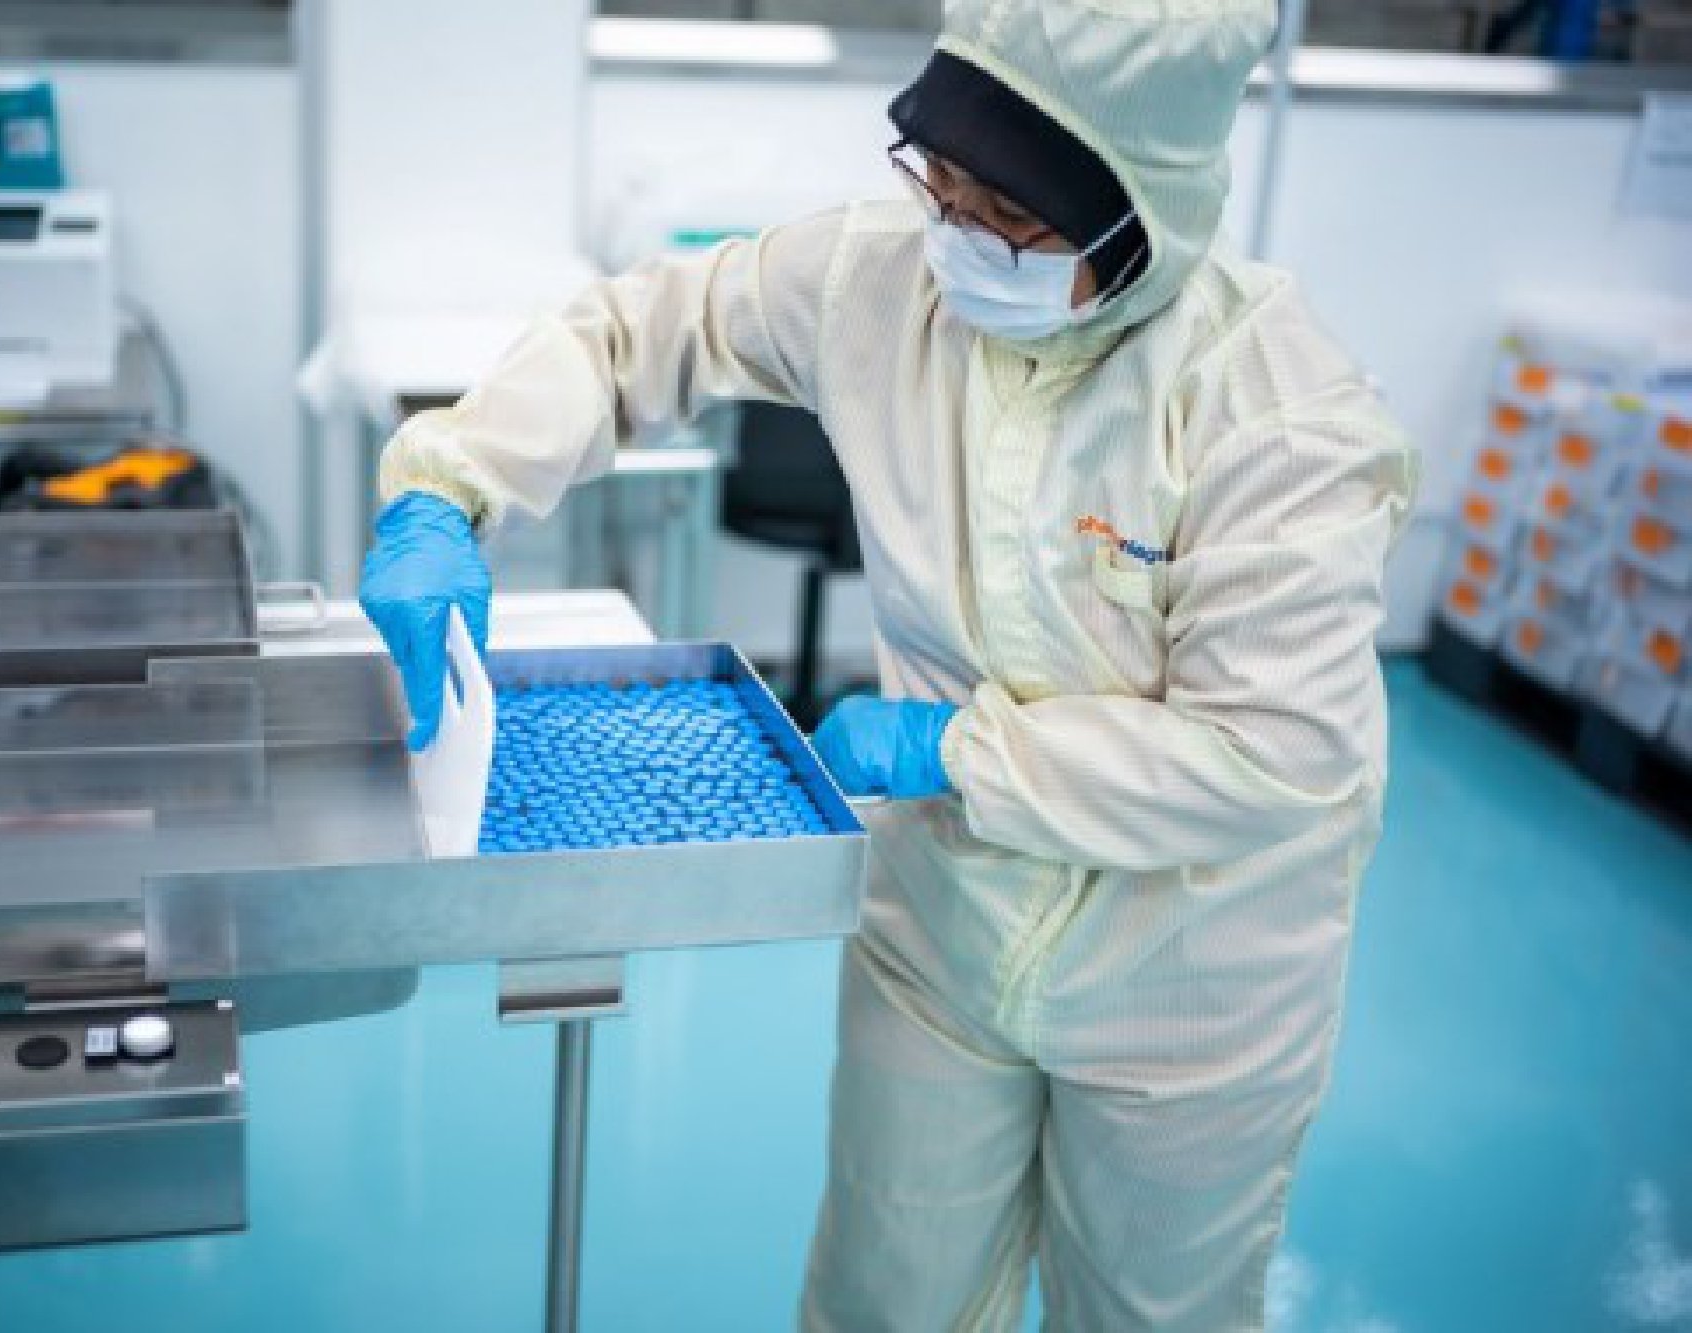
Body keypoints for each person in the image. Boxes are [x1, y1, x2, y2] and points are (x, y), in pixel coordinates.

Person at [360, 0, 1417, 1326]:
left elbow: (1270, 752)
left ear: (1138, 212)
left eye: (1010, 212)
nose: (959, 230)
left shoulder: (1278, 414)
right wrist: (449, 486)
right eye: (943, 176)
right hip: (947, 923)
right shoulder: (880, 281)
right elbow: (638, 332)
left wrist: (952, 749)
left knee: (1149, 1310)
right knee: (885, 1293)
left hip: (1189, 975)